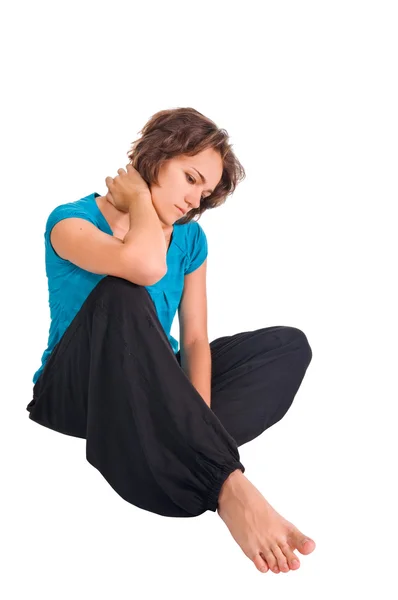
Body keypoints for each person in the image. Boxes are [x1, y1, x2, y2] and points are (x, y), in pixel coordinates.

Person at [26, 107, 315, 575]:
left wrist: (194, 416)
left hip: (149, 382)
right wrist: (139, 203)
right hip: (77, 389)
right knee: (122, 292)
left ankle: (169, 440)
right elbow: (145, 267)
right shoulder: (70, 221)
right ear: (157, 156)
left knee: (286, 346)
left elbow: (196, 340)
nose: (194, 199)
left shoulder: (191, 239)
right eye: (190, 177)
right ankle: (230, 490)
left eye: (205, 192)